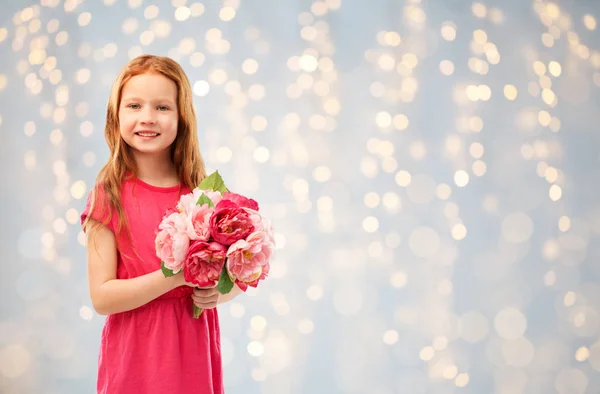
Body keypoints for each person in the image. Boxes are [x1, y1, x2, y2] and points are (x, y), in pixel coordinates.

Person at [81, 54, 242, 394]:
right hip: (136, 359)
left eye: (163, 108)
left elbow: (237, 275)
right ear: (116, 115)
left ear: (183, 117)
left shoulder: (206, 195)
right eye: (135, 106)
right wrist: (177, 276)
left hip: (193, 352)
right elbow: (102, 297)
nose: (148, 118)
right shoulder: (107, 196)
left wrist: (220, 292)